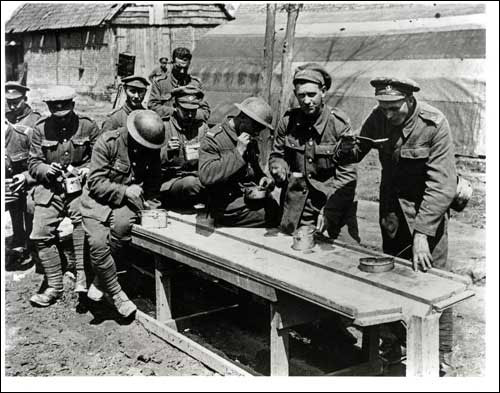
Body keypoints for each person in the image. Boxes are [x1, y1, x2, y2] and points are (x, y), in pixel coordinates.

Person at [336, 76, 458, 373]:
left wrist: (423, 233)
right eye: (383, 107)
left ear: (409, 100)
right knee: (391, 279)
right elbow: (355, 152)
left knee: (434, 283)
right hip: (391, 214)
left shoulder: (434, 124)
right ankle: (392, 347)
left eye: (394, 108)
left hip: (427, 212)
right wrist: (345, 145)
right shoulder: (379, 117)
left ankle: (440, 354)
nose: (388, 114)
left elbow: (442, 186)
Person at [80, 110, 165, 318]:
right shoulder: (108, 142)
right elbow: (95, 182)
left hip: (126, 204)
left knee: (122, 227)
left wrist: (152, 208)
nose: (145, 150)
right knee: (98, 244)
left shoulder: (150, 147)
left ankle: (101, 281)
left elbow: (154, 183)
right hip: (97, 201)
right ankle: (117, 294)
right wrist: (125, 191)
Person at [28, 86, 101, 306]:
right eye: (55, 111)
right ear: (49, 108)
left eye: (66, 113)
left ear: (73, 106)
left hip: (79, 188)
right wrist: (45, 170)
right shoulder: (40, 129)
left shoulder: (88, 125)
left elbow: (100, 156)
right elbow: (32, 163)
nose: (61, 118)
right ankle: (54, 285)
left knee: (83, 222)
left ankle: (82, 275)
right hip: (50, 190)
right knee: (40, 234)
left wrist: (89, 169)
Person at [268, 63, 358, 240]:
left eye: (312, 94)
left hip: (331, 208)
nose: (307, 100)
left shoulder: (339, 125)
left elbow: (347, 176)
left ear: (323, 92)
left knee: (338, 257)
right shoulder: (288, 122)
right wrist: (278, 167)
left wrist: (330, 211)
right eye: (301, 95)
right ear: (295, 95)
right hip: (294, 209)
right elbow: (277, 155)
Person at [198, 97, 279, 227]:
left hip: (245, 199)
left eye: (261, 128)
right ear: (243, 118)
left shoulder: (248, 136)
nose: (257, 132)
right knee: (274, 214)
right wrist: (238, 152)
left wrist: (262, 178)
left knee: (276, 208)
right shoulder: (214, 139)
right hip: (223, 205)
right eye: (256, 127)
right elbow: (206, 176)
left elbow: (253, 169)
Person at [5, 82, 41, 262]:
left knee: (30, 207)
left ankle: (32, 243)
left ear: (25, 99)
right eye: (8, 102)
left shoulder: (35, 120)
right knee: (13, 205)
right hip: (12, 173)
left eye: (16, 102)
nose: (12, 106)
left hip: (31, 174)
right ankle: (18, 238)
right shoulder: (6, 118)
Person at [160, 85, 209, 208]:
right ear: (175, 107)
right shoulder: (163, 127)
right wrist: (167, 151)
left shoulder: (202, 128)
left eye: (193, 111)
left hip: (197, 177)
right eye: (186, 110)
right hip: (171, 182)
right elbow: (149, 162)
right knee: (192, 184)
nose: (190, 115)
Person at [147, 47, 210, 121]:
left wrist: (189, 114)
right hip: (168, 126)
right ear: (172, 63)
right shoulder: (160, 83)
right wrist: (175, 112)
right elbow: (152, 106)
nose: (182, 71)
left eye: (185, 68)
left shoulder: (195, 84)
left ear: (189, 64)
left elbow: (205, 111)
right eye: (178, 67)